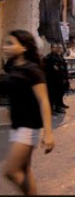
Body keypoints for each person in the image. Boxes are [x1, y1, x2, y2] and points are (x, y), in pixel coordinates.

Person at [1, 30, 55, 195]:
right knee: (25, 169)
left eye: (10, 43)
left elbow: (44, 101)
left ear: (24, 47)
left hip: (29, 125)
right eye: (4, 42)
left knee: (11, 171)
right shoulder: (11, 66)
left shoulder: (33, 70)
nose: (5, 47)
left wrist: (48, 133)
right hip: (17, 124)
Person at [43, 44, 67, 113]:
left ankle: (57, 107)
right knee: (51, 95)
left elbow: (60, 68)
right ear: (51, 48)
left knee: (58, 94)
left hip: (58, 79)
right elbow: (50, 68)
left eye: (56, 48)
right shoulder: (49, 57)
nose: (56, 49)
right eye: (54, 47)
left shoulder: (58, 57)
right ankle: (51, 109)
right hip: (51, 79)